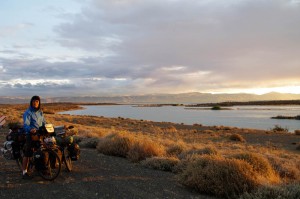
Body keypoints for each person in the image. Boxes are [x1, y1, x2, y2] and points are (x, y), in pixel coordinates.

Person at [22, 95, 46, 179]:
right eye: (34, 101)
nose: (35, 103)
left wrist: (48, 128)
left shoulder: (40, 112)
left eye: (37, 101)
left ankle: (41, 168)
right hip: (31, 134)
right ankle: (24, 172)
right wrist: (30, 129)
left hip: (39, 134)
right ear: (31, 102)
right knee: (28, 153)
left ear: (39, 103)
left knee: (43, 150)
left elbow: (43, 122)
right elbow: (25, 125)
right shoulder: (28, 112)